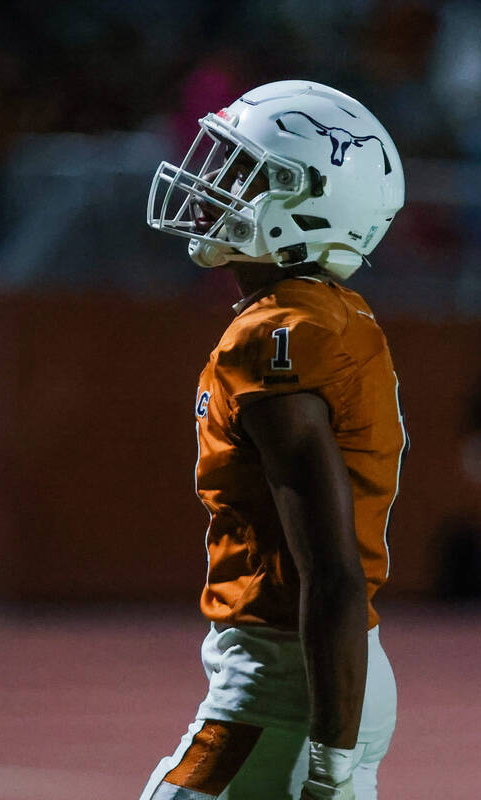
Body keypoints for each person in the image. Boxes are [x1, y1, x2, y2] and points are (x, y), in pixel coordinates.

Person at [140, 80, 407, 800]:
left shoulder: (274, 340)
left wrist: (331, 762)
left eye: (243, 172)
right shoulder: (332, 316)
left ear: (308, 204)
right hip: (326, 670)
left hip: (288, 683)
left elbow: (331, 571)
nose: (213, 185)